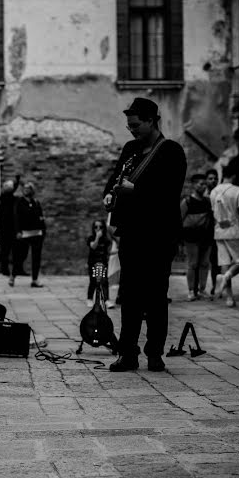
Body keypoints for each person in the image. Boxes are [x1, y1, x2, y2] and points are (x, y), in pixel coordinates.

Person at [102, 97, 186, 373]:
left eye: (136, 125)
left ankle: (154, 354)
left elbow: (169, 194)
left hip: (159, 236)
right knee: (129, 295)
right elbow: (115, 178)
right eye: (129, 126)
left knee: (156, 296)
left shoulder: (171, 152)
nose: (132, 130)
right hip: (132, 234)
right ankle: (127, 353)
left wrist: (134, 191)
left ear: (152, 121)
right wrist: (108, 194)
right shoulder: (130, 149)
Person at [210, 165, 239, 307]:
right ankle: (226, 277)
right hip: (235, 232)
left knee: (224, 263)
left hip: (219, 231)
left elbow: (214, 214)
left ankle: (229, 298)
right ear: (233, 176)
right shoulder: (238, 191)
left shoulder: (214, 191)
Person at [180, 173, 214, 301]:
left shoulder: (207, 201)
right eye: (201, 184)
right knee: (192, 263)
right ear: (194, 185)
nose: (203, 186)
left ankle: (202, 289)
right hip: (191, 237)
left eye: (205, 184)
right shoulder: (187, 201)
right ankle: (190, 291)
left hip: (206, 236)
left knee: (205, 263)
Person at [9, 180, 46, 288]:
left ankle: (35, 279)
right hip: (24, 233)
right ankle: (13, 276)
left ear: (32, 190)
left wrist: (43, 231)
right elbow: (16, 218)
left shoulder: (36, 202)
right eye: (25, 188)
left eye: (28, 188)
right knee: (20, 256)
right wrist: (18, 231)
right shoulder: (20, 202)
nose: (26, 190)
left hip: (37, 233)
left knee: (36, 257)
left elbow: (41, 216)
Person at [86, 219, 114, 308]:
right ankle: (90, 299)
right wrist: (97, 237)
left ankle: (106, 300)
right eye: (96, 227)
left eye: (100, 227)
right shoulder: (90, 238)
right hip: (93, 263)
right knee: (93, 281)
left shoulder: (106, 240)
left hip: (103, 263)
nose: (98, 229)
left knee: (104, 281)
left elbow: (108, 251)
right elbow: (93, 246)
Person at [204, 168, 220, 297]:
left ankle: (216, 285)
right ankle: (198, 288)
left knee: (216, 261)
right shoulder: (203, 195)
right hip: (204, 232)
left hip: (217, 231)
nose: (213, 181)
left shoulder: (220, 193)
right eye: (210, 178)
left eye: (215, 178)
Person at [0, 179, 16, 276]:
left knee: (8, 249)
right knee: (5, 250)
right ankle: (4, 269)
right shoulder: (6, 198)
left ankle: (7, 269)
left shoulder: (7, 198)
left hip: (9, 228)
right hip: (6, 228)